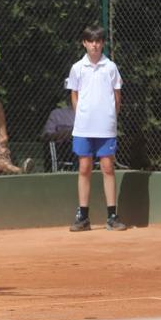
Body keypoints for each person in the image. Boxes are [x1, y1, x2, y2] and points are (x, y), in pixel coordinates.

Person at [67, 25, 126, 232]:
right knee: (84, 168)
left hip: (106, 128)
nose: (94, 44)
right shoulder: (77, 68)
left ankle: (112, 216)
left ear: (103, 43)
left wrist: (110, 117)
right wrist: (80, 114)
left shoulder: (110, 67)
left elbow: (117, 97)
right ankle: (83, 217)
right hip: (83, 127)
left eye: (98, 41)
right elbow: (74, 93)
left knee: (108, 168)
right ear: (84, 43)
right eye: (90, 41)